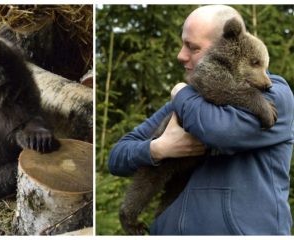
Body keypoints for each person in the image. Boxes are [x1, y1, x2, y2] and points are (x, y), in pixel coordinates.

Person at [108, 5, 294, 235]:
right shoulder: (189, 98)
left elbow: (217, 131)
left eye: (192, 47)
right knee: (153, 179)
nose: (180, 55)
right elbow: (116, 157)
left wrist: (180, 92)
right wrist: (158, 149)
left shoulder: (276, 96)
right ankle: (129, 213)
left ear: (226, 46)